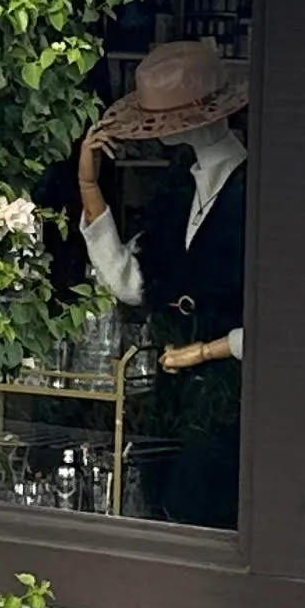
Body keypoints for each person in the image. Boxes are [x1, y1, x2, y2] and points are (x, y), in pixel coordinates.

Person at [73, 38, 248, 529]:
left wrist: (204, 351)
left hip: (234, 402)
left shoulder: (257, 192)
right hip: (173, 399)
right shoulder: (177, 191)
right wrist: (89, 185)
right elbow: (132, 284)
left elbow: (280, 320)